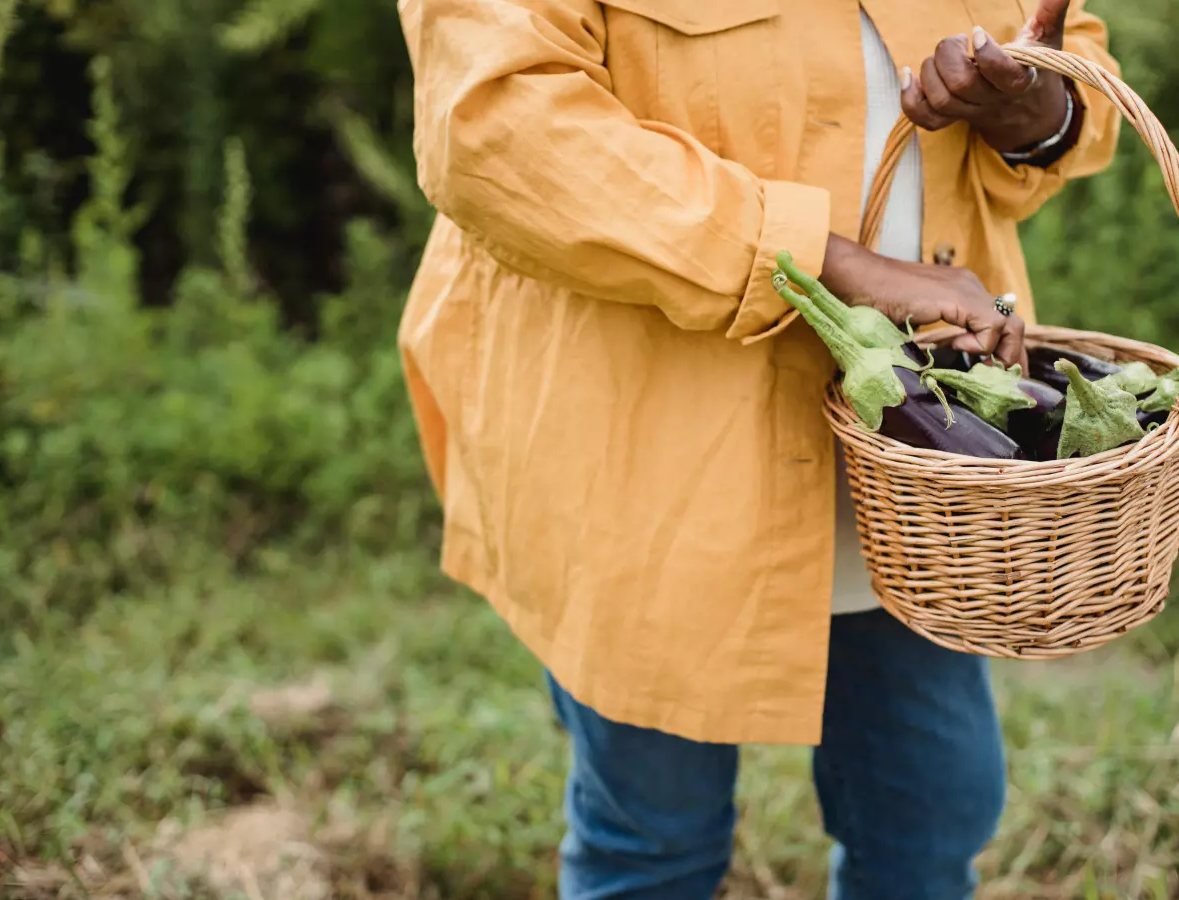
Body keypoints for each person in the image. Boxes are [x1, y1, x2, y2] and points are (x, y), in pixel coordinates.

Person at [397, 0, 1120, 896]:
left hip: (928, 456)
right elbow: (496, 133)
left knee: (931, 816)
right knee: (654, 838)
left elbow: (1066, 47)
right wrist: (834, 264)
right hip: (654, 439)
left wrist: (1035, 114)